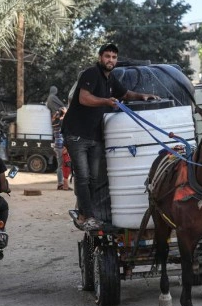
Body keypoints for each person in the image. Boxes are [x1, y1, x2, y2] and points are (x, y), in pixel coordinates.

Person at [62, 43, 159, 230]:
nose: (111, 60)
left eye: (114, 57)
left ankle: (83, 212)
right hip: (77, 134)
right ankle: (87, 216)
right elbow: (84, 98)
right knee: (83, 176)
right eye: (107, 56)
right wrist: (106, 101)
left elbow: (125, 93)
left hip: (95, 135)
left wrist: (142, 96)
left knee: (93, 178)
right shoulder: (91, 74)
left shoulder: (110, 78)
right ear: (100, 58)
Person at [52, 108, 69, 190]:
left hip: (57, 146)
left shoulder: (55, 122)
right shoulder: (62, 122)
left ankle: (61, 183)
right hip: (61, 146)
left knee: (60, 166)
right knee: (62, 166)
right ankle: (61, 184)